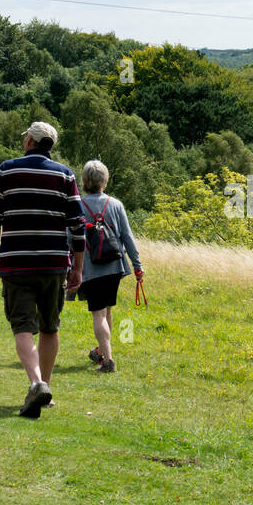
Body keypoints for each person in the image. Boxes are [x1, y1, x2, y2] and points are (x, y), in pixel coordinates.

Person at [0, 121, 86, 418]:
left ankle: (36, 383)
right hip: (54, 264)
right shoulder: (65, 174)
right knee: (49, 327)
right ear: (49, 146)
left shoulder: (6, 170)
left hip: (16, 262)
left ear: (30, 141)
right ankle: (47, 388)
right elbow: (78, 227)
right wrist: (77, 268)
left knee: (22, 326)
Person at [77, 159, 143, 373]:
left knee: (98, 314)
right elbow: (128, 237)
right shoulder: (116, 204)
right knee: (106, 312)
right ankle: (101, 352)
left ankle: (108, 362)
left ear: (85, 181)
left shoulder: (78, 205)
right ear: (104, 181)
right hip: (115, 267)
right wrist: (137, 266)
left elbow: (71, 238)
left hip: (91, 267)